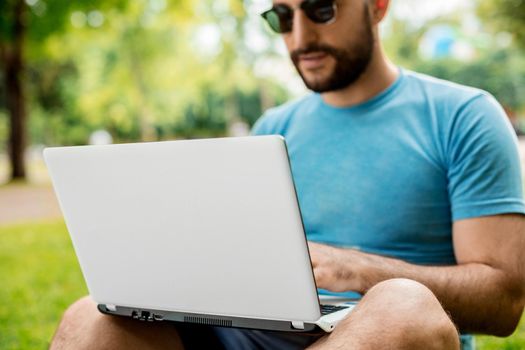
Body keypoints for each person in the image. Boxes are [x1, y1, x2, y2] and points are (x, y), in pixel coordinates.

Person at [50, 0, 525, 349]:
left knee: (402, 305)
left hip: (375, 333)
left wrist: (358, 270)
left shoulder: (463, 116)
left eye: (320, 10)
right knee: (93, 315)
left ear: (378, 7)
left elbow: (504, 304)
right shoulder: (272, 129)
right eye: (282, 16)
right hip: (250, 335)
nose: (300, 39)